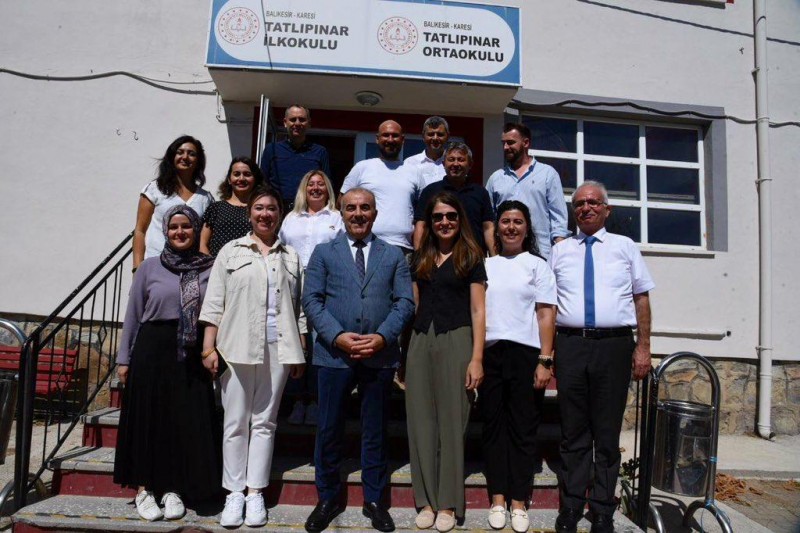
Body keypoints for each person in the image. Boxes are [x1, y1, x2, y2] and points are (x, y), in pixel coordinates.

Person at [302, 188, 415, 533]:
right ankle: (328, 498)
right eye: (351, 208)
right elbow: (312, 300)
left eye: (365, 208)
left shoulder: (393, 255)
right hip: (333, 355)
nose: (358, 214)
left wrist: (382, 337)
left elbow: (405, 303)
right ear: (342, 213)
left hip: (378, 356)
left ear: (375, 214)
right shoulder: (324, 252)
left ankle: (375, 500)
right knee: (329, 429)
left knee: (375, 430)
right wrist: (336, 336)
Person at [548, 181, 654, 533]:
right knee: (573, 431)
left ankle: (603, 509)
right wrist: (548, 353)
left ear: (606, 209)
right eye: (579, 203)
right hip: (571, 345)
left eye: (593, 202)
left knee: (607, 434)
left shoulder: (625, 247)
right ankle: (571, 505)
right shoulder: (560, 251)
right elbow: (549, 304)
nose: (586, 208)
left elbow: (641, 298)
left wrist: (643, 346)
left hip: (614, 347)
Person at [199, 186, 307, 528]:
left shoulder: (291, 256)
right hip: (236, 347)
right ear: (250, 214)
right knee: (235, 422)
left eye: (271, 208)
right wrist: (208, 347)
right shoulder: (230, 251)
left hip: (279, 348)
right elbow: (214, 302)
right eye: (259, 208)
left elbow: (299, 308)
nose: (265, 214)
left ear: (280, 215)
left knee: (265, 422)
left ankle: (255, 491)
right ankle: (233, 493)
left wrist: (301, 350)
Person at [114, 205, 220, 522]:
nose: (180, 232)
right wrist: (124, 359)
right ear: (165, 231)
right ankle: (144, 489)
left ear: (196, 229)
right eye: (174, 227)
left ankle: (173, 487)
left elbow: (215, 311)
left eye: (186, 226)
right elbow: (133, 314)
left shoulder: (209, 268)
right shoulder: (148, 267)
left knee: (182, 421)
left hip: (191, 352)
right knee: (148, 420)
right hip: (152, 349)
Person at [404, 191, 486, 532]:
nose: (444, 222)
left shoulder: (471, 257)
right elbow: (413, 305)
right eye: (438, 217)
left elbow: (478, 310)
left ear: (460, 219)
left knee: (453, 423)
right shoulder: (420, 257)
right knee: (421, 422)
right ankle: (426, 501)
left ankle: (448, 504)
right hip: (421, 339)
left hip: (458, 338)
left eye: (451, 216)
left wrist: (477, 358)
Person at [481, 201, 557, 533]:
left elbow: (546, 314)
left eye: (518, 222)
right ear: (496, 228)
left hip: (526, 355)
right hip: (491, 354)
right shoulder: (485, 265)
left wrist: (545, 359)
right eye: (505, 221)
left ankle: (518, 501)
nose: (511, 227)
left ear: (527, 229)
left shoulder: (537, 266)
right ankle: (498, 498)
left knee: (523, 429)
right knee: (493, 427)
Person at [279, 170, 344, 425]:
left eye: (320, 184)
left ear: (328, 189)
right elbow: (281, 247)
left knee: (318, 342)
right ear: (304, 190)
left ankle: (317, 400)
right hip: (292, 282)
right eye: (311, 184)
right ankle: (297, 400)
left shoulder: (337, 218)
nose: (315, 188)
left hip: (324, 284)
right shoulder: (291, 218)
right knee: (295, 339)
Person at [485, 123, 570, 260]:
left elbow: (558, 218)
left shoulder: (547, 174)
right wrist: (494, 254)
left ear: (526, 143)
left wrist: (559, 254)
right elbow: (489, 221)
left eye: (510, 142)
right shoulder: (495, 179)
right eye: (503, 143)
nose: (505, 147)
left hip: (540, 254)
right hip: (505, 256)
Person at [340, 120, 424, 254]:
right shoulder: (362, 168)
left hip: (403, 247)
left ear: (402, 140)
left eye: (395, 136)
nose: (390, 140)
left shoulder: (414, 172)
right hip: (366, 245)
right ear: (377, 139)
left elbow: (422, 214)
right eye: (385, 135)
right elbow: (342, 203)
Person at [133, 135, 214, 269]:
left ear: (198, 161)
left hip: (192, 268)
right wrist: (137, 268)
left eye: (191, 154)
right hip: (157, 265)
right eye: (180, 152)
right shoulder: (154, 190)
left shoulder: (205, 198)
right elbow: (140, 231)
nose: (185, 157)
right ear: (172, 157)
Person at [413, 142, 495, 255]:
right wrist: (418, 256)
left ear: (470, 164)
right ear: (443, 163)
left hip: (473, 258)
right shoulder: (431, 191)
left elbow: (488, 228)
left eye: (461, 160)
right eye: (451, 159)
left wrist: (495, 257)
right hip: (438, 257)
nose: (455, 164)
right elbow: (421, 225)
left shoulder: (480, 193)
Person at [259, 105, 331, 210]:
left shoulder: (320, 152)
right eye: (293, 119)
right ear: (285, 122)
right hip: (278, 210)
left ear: (309, 123)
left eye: (302, 120)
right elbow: (262, 183)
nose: (297, 123)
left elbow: (327, 185)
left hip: (308, 210)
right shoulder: (271, 150)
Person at [200, 157, 265, 256]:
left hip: (250, 263)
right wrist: (211, 264)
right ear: (229, 180)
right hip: (216, 264)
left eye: (247, 174)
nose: (241, 178)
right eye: (236, 174)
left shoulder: (261, 210)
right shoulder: (216, 208)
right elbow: (202, 244)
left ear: (255, 179)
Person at [404, 116, 449, 188]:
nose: (435, 138)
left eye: (440, 134)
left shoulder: (453, 164)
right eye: (431, 134)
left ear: (447, 136)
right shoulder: (410, 163)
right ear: (423, 136)